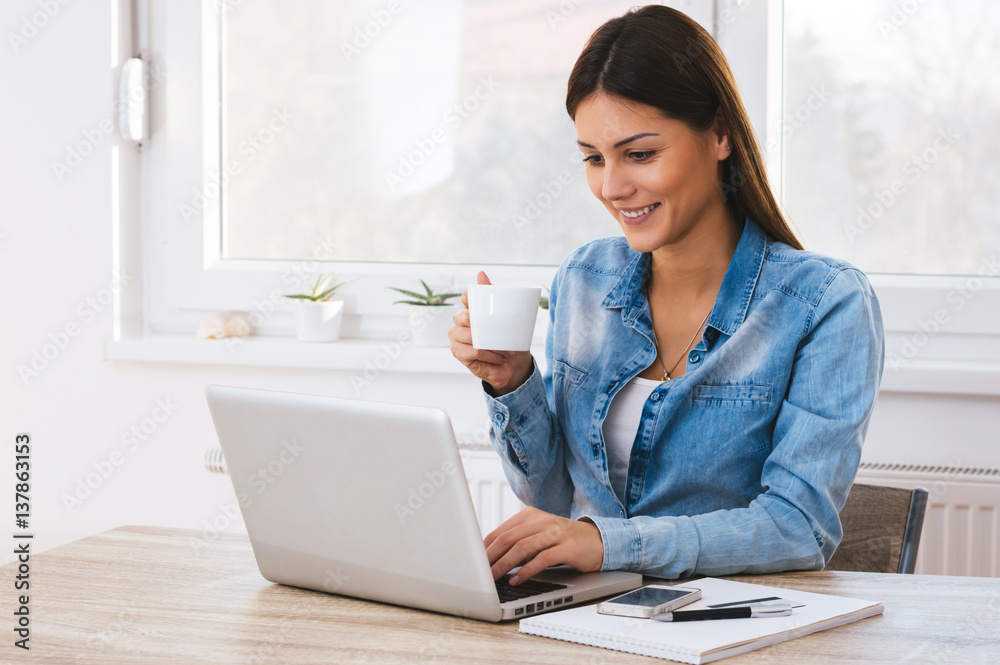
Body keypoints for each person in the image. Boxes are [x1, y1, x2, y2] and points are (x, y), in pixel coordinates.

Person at [448, 5, 884, 585]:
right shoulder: (584, 279)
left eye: (641, 154)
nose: (612, 186)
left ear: (721, 134)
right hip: (589, 616)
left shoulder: (825, 303)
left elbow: (798, 528)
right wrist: (512, 381)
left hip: (726, 625)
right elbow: (554, 497)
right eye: (593, 158)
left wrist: (609, 543)